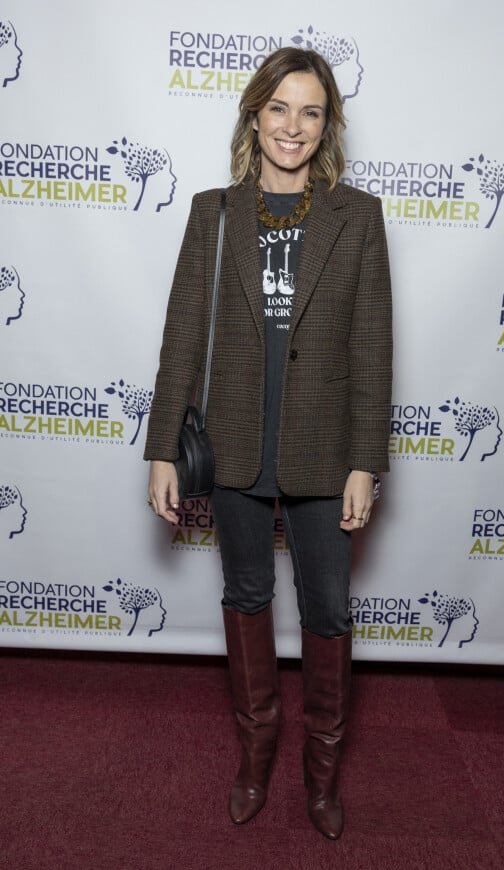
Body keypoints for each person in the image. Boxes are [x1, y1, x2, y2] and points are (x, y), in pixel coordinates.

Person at [145, 46, 392, 840]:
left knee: (327, 608)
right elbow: (182, 336)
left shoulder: (358, 217)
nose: (294, 125)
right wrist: (159, 448)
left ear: (328, 125)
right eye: (280, 108)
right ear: (256, 114)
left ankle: (322, 776)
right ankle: (255, 759)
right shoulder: (212, 213)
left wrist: (366, 462)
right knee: (245, 597)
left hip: (324, 449)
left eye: (311, 111)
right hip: (235, 446)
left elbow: (371, 346)